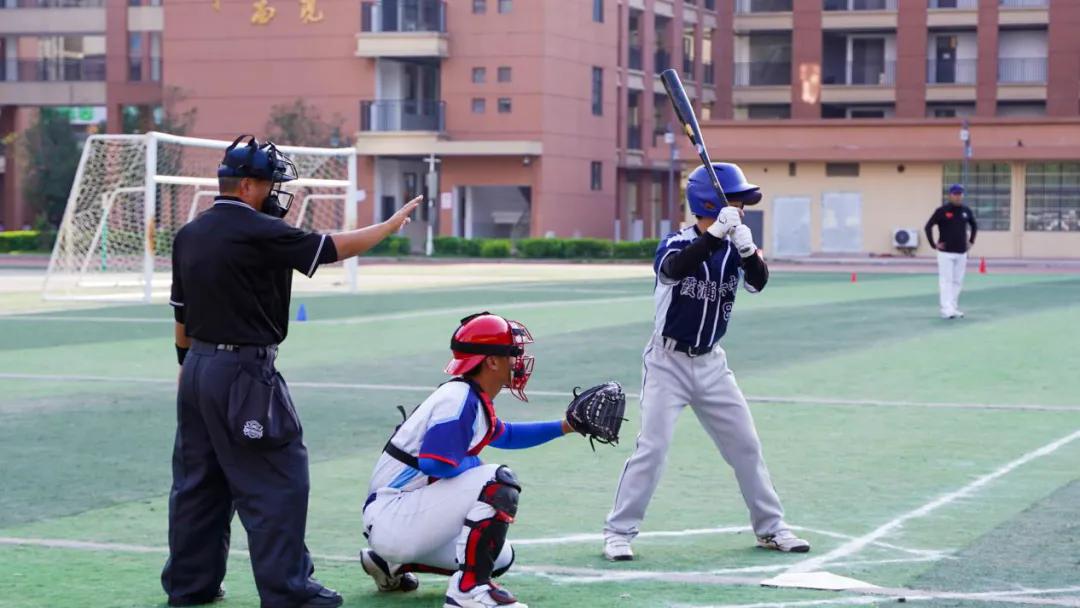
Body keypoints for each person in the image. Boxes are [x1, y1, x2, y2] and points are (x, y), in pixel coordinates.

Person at [164, 134, 419, 608]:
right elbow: (332, 248)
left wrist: (187, 365)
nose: (276, 192)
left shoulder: (190, 233)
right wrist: (388, 225)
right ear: (246, 185)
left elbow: (181, 314)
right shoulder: (258, 230)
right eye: (269, 183)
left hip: (197, 368)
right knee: (278, 478)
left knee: (199, 483)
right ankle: (289, 591)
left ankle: (190, 585)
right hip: (243, 372)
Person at [602, 162, 809, 562]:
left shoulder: (735, 247)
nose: (742, 209)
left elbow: (758, 281)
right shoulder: (677, 243)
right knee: (653, 448)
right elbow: (672, 270)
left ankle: (771, 528)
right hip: (667, 362)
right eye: (736, 201)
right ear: (711, 203)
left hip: (712, 364)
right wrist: (714, 235)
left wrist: (747, 251)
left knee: (746, 446)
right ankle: (618, 532)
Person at [360, 312, 595, 608]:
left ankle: (389, 563)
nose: (518, 360)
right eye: (513, 352)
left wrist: (566, 426)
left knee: (498, 556)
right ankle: (467, 592)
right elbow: (434, 464)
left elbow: (508, 435)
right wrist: (478, 470)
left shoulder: (468, 395)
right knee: (496, 481)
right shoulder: (458, 399)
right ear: (492, 362)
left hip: (399, 519)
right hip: (395, 516)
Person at [925, 184, 978, 319]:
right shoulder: (942, 211)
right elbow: (928, 227)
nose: (958, 196)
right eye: (955, 194)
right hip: (946, 253)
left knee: (957, 281)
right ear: (950, 195)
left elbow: (974, 225)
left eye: (960, 194)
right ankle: (946, 309)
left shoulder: (966, 211)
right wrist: (933, 244)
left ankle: (953, 308)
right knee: (946, 281)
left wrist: (971, 241)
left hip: (961, 253)